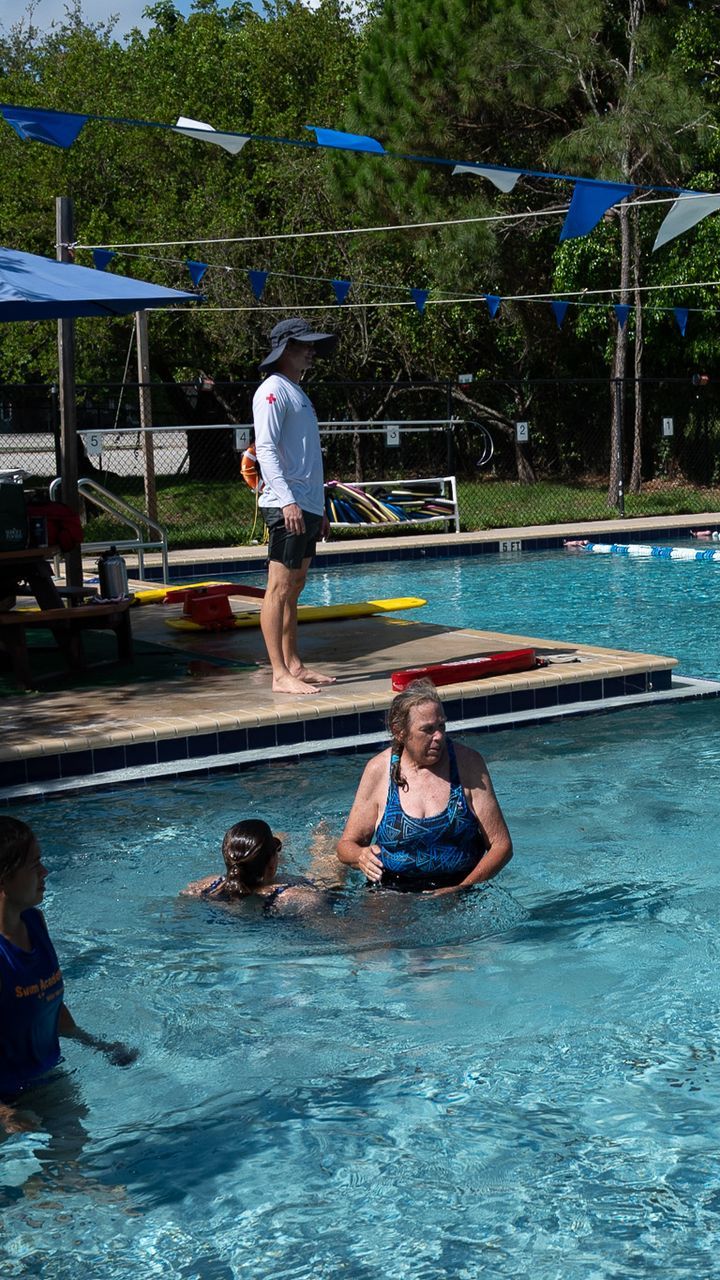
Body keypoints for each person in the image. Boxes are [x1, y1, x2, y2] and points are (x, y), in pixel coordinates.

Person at [1, 817, 135, 1134]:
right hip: (5, 1099)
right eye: (34, 865)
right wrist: (4, 1115)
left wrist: (98, 1045)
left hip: (47, 1079)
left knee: (72, 1169)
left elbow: (49, 1005)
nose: (44, 872)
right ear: (4, 878)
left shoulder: (35, 923)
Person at [335, 682, 513, 893]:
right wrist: (360, 856)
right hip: (392, 890)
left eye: (441, 726)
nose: (439, 736)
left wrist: (461, 888)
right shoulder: (379, 770)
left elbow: (501, 846)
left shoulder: (468, 764)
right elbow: (346, 846)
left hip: (461, 887)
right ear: (399, 732)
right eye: (427, 730)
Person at [252, 316, 337, 696]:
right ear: (285, 349)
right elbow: (265, 449)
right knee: (279, 588)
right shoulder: (271, 391)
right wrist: (288, 501)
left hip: (305, 505)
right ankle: (278, 673)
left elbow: (305, 457)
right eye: (303, 345)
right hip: (285, 503)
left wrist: (317, 508)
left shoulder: (296, 392)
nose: (310, 351)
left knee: (296, 586)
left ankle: (295, 665)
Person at [181, 819, 328, 916]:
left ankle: (268, 846)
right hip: (282, 895)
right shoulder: (298, 897)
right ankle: (321, 842)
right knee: (328, 872)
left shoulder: (206, 886)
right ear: (271, 865)